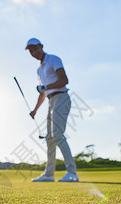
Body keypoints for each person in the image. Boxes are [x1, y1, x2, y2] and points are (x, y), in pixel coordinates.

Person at [25, 38, 79, 182]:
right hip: (51, 101)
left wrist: (46, 88)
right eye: (31, 51)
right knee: (49, 138)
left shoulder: (53, 59)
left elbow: (64, 80)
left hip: (61, 97)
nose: (34, 52)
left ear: (41, 46)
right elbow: (43, 93)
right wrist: (35, 110)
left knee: (57, 134)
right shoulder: (39, 70)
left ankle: (72, 173)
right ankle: (49, 174)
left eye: (35, 49)